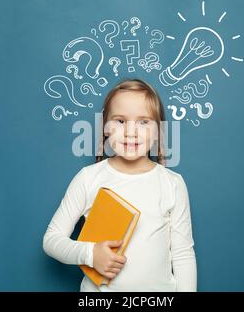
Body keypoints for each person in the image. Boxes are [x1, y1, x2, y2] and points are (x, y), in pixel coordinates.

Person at [43, 79, 197, 291]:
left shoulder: (172, 183)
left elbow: (182, 255)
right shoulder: (88, 178)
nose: (130, 132)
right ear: (105, 127)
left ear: (158, 131)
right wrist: (90, 254)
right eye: (120, 121)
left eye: (144, 122)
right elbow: (52, 240)